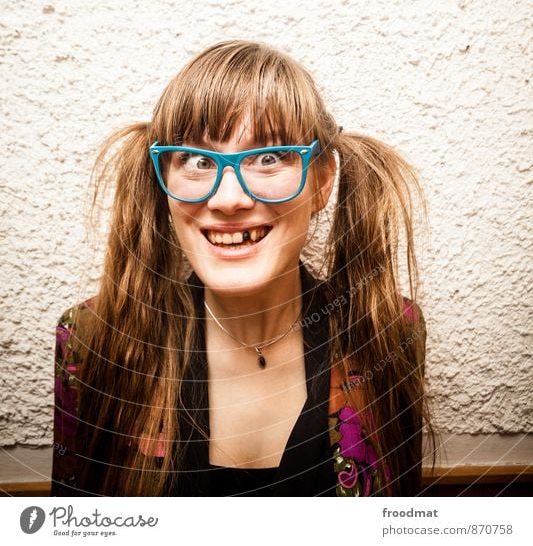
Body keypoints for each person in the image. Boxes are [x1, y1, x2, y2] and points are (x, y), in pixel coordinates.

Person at [52, 39, 432, 497]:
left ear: (322, 180)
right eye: (195, 160)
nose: (228, 199)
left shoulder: (388, 330)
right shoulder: (93, 340)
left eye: (268, 158)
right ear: (163, 183)